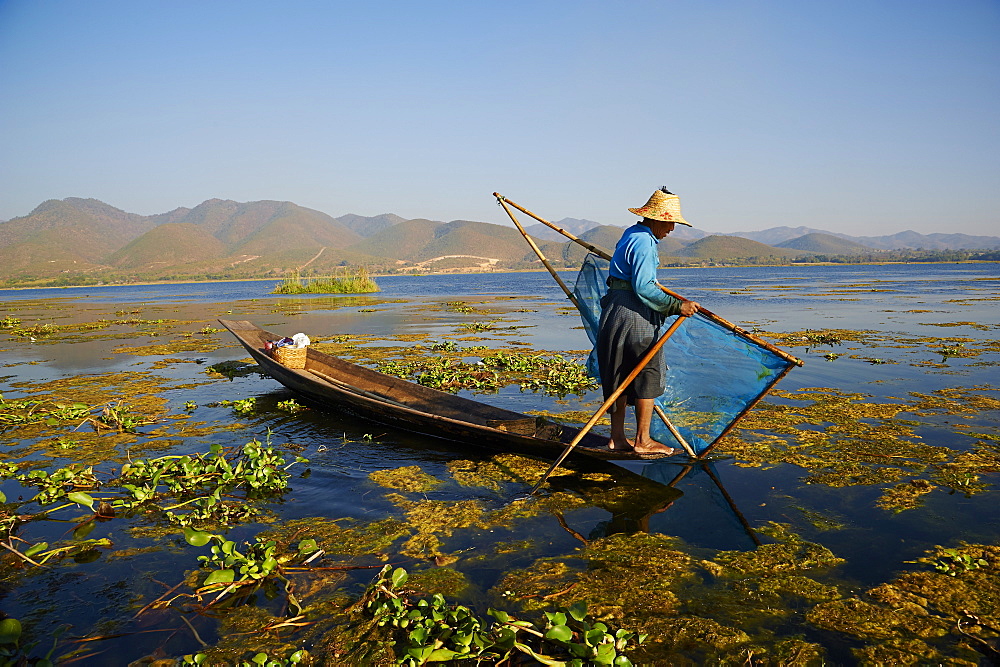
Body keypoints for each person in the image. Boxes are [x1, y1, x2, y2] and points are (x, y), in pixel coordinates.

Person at [597, 187, 700, 455]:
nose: (672, 229)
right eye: (670, 222)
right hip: (634, 316)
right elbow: (643, 287)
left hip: (615, 312)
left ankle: (617, 439)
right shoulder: (644, 242)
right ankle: (643, 440)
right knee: (647, 373)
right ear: (656, 219)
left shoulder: (631, 233)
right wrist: (678, 306)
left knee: (618, 375)